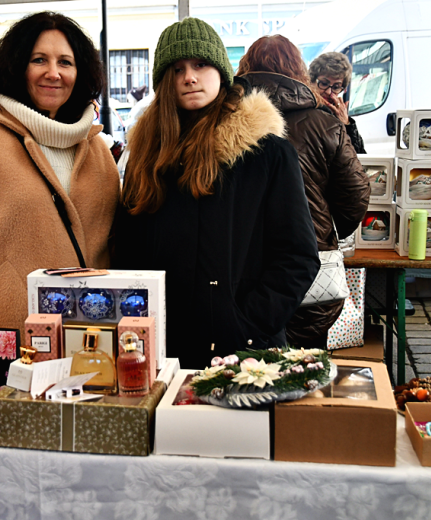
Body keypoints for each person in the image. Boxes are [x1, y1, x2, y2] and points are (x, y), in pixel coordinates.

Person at [115, 18, 320, 369]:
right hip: (162, 351)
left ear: (222, 72)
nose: (189, 77)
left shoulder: (267, 154)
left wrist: (247, 325)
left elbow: (297, 257)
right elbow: (126, 251)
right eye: (176, 69)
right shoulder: (146, 157)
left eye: (200, 64)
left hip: (245, 354)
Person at [0, 11, 119, 330]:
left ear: (80, 72)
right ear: (17, 66)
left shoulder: (97, 151)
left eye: (65, 62)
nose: (53, 73)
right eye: (39, 60)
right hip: (0, 346)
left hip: (83, 345)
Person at [236, 35, 370, 349]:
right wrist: (323, 230)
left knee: (243, 370)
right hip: (311, 273)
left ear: (245, 69)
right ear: (300, 72)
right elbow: (356, 198)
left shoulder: (227, 120)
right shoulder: (325, 124)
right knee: (306, 371)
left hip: (244, 271)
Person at [309, 52, 366, 154]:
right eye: (324, 83)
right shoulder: (303, 109)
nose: (328, 92)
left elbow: (360, 157)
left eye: (336, 87)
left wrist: (347, 124)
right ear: (311, 82)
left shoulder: (338, 115)